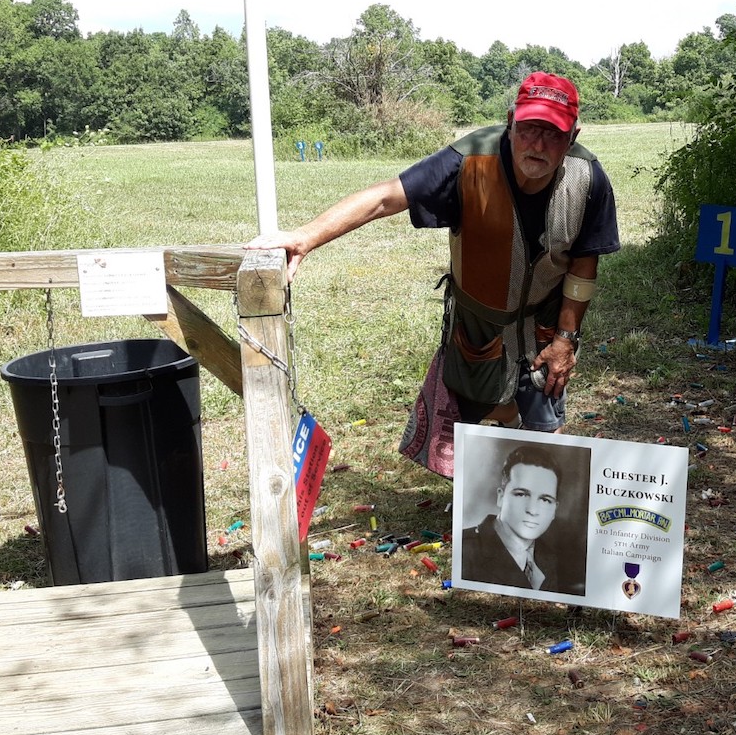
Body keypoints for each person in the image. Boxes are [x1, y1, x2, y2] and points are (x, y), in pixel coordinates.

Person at [245, 72, 620, 477]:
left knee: (548, 431)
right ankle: (487, 500)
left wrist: (565, 339)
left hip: (546, 326)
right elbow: (386, 197)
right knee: (483, 418)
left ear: (573, 136)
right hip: (480, 326)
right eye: (529, 128)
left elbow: (584, 263)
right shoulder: (469, 160)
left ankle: (546, 515)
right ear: (510, 121)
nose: (538, 144)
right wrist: (306, 237)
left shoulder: (588, 178)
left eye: (553, 134)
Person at [460, 442, 585, 594]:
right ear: (501, 496)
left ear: (554, 509)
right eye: (521, 494)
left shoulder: (547, 557)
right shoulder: (464, 549)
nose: (532, 510)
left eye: (545, 500)